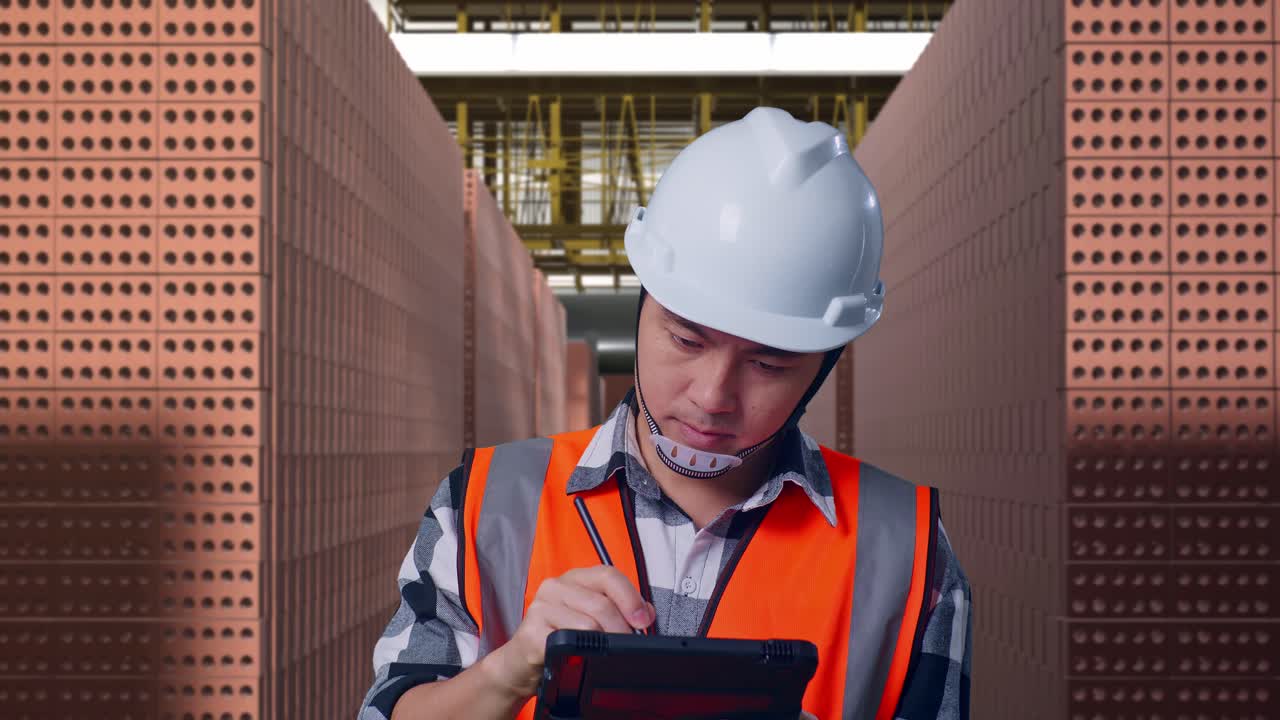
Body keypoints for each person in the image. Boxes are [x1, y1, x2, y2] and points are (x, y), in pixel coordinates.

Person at [356, 106, 972, 720]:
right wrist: (508, 670)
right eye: (686, 340)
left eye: (769, 365)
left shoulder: (906, 551)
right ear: (644, 304)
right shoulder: (489, 505)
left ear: (823, 365)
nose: (712, 396)